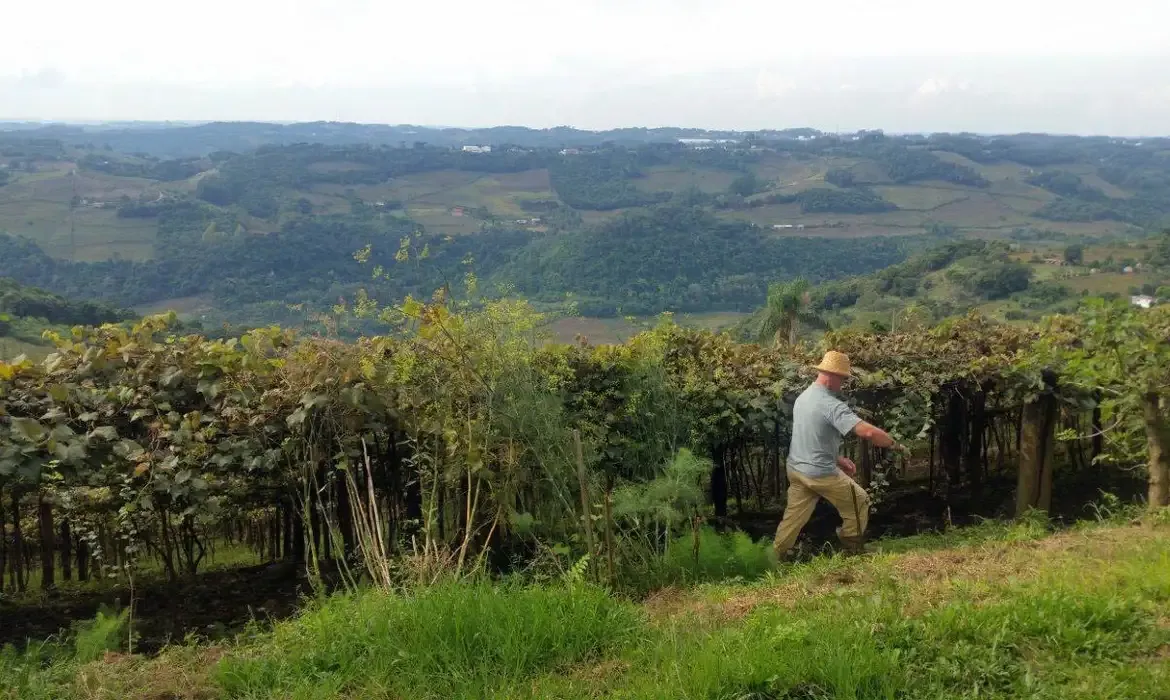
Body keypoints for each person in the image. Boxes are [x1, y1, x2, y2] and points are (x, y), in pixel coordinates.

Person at [773, 350, 907, 560]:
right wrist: (893, 444)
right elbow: (868, 432)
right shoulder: (830, 405)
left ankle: (777, 556)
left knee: (793, 518)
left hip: (797, 469)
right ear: (833, 376)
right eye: (843, 378)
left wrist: (838, 459)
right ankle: (853, 549)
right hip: (819, 473)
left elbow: (812, 436)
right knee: (860, 500)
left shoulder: (804, 397)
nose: (843, 383)